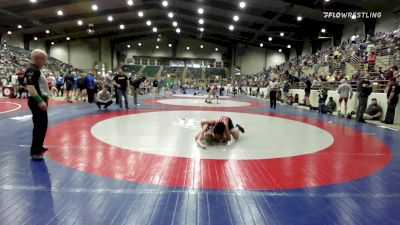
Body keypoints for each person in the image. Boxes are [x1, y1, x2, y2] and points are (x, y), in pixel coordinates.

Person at [24, 49, 50, 160]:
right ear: (37, 58)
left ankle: (38, 146)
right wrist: (40, 101)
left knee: (42, 126)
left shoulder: (36, 69)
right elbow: (30, 87)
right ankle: (35, 152)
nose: (45, 61)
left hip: (39, 100)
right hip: (37, 101)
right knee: (40, 126)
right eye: (44, 59)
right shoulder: (32, 69)